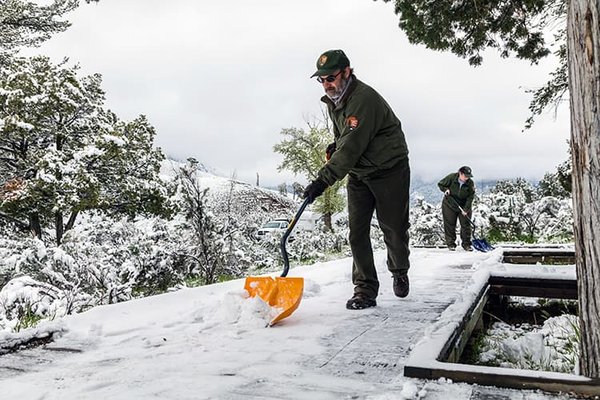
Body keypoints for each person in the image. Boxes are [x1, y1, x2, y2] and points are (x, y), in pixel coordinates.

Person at [302, 49, 411, 310]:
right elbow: (347, 139)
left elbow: (351, 147)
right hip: (360, 174)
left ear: (347, 72)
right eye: (322, 80)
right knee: (357, 233)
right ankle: (365, 289)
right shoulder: (335, 101)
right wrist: (335, 144)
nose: (327, 84)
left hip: (389, 170)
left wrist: (321, 182)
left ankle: (399, 270)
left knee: (393, 229)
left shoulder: (364, 100)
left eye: (331, 78)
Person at [437, 166, 476, 251]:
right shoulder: (451, 177)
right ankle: (451, 244)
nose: (467, 178)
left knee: (465, 225)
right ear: (460, 173)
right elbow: (440, 184)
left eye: (468, 176)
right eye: (465, 176)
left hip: (464, 204)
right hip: (450, 204)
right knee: (450, 224)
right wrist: (446, 189)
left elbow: (470, 197)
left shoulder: (470, 183)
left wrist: (466, 209)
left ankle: (466, 244)